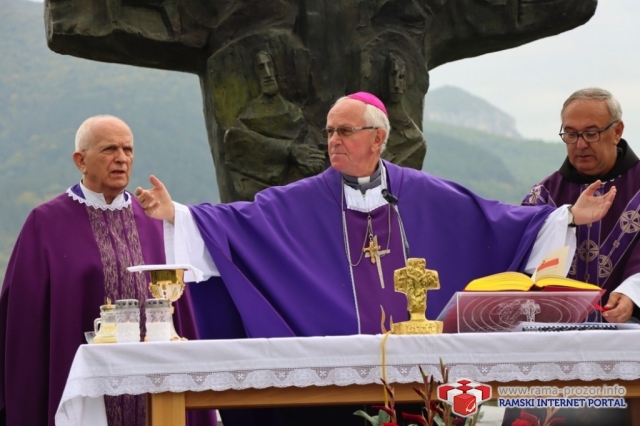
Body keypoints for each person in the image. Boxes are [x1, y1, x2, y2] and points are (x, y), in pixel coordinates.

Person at [136, 92, 615, 426]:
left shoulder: (428, 195)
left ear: (379, 139)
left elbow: (501, 223)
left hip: (424, 373)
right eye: (329, 132)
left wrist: (570, 216)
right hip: (330, 381)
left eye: (345, 131)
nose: (333, 141)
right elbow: (236, 227)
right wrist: (176, 214)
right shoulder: (299, 202)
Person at [0, 116, 215, 426]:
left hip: (154, 386)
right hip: (84, 390)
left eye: (128, 149)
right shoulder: (46, 223)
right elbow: (24, 318)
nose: (122, 158)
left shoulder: (154, 218)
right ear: (80, 160)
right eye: (109, 149)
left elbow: (177, 304)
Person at [523, 88, 640, 324]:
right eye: (571, 134)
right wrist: (564, 219)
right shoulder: (544, 194)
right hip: (555, 333)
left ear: (617, 131)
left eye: (591, 133)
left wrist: (632, 293)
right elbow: (518, 253)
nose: (580, 144)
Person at [224, 50, 326, 200]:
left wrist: (313, 159)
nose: (267, 73)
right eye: (261, 68)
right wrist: (290, 150)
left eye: (269, 66)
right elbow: (236, 140)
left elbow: (307, 141)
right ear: (255, 75)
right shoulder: (249, 115)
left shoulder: (293, 111)